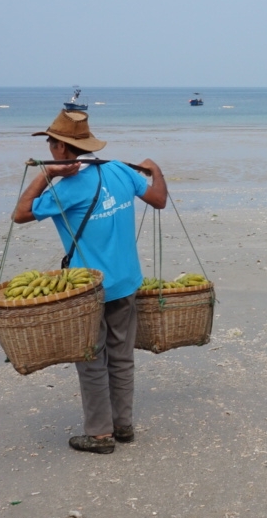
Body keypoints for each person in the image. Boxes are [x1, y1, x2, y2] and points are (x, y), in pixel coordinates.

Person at [13, 110, 168, 454]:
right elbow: (159, 199)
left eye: (52, 142)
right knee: (122, 356)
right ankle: (123, 426)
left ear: (62, 149)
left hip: (89, 290)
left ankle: (100, 435)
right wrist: (155, 169)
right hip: (126, 281)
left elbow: (20, 214)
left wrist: (45, 176)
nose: (51, 147)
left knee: (91, 359)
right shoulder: (120, 171)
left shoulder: (65, 189)